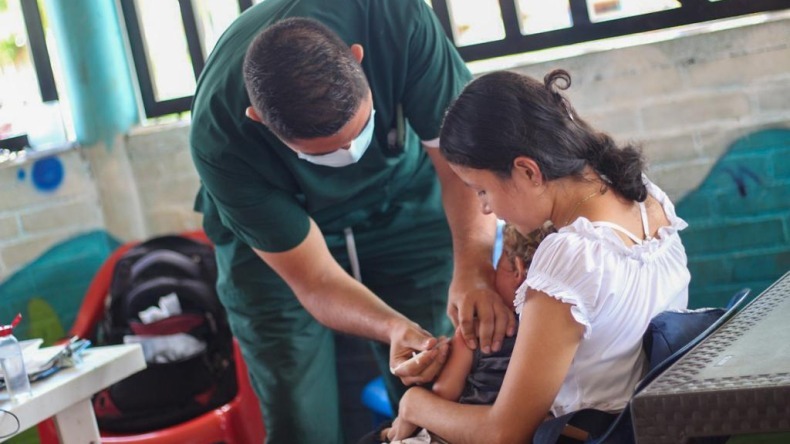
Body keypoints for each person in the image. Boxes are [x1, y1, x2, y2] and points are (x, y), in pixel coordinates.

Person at [188, 1, 513, 442]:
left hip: (405, 211)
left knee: (438, 385)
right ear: (259, 120)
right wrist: (390, 327)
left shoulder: (393, 19)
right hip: (279, 250)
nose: (349, 156)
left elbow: (463, 166)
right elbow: (316, 280)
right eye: (322, 153)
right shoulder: (220, 137)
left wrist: (474, 270)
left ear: (358, 58)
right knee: (300, 418)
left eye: (360, 131)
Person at [384, 69, 691, 444]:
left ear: (527, 170)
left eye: (482, 190)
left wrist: (414, 402)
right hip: (639, 427)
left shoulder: (572, 257)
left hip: (590, 434)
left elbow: (504, 433)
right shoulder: (647, 198)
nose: (485, 210)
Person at [377, 223, 555, 444]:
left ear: (517, 269)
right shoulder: (565, 333)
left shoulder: (477, 329)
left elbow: (444, 392)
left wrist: (445, 356)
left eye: (497, 261)